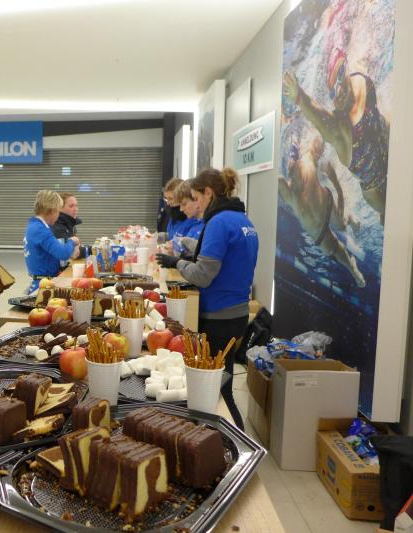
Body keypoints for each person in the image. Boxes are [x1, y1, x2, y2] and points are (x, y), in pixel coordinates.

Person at [156, 167, 258, 430]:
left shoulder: (219, 222)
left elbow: (202, 275)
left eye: (196, 198)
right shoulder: (242, 220)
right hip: (236, 313)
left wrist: (177, 263)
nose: (196, 205)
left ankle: (235, 444)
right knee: (222, 385)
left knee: (217, 393)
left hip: (218, 317)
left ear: (208, 193)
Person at [282, 48, 389, 223]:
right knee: (391, 215)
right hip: (374, 188)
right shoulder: (341, 129)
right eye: (332, 90)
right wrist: (299, 97)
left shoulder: (360, 75)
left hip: (388, 146)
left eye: (340, 75)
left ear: (346, 67)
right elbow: (319, 118)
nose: (338, 92)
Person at [278, 132, 364, 287]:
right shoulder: (292, 187)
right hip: (318, 226)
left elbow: (305, 160)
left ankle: (349, 217)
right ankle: (352, 269)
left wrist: (297, 144)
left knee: (342, 226)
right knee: (332, 248)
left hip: (323, 201)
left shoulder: (307, 159)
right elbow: (282, 179)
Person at [24, 190, 80, 293]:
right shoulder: (41, 230)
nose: (58, 215)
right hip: (43, 286)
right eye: (58, 211)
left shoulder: (34, 225)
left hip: (41, 281)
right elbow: (63, 254)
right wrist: (71, 241)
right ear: (52, 210)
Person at [172, 181, 205, 257]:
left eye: (184, 204)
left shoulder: (208, 225)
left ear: (196, 199)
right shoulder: (195, 224)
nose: (181, 209)